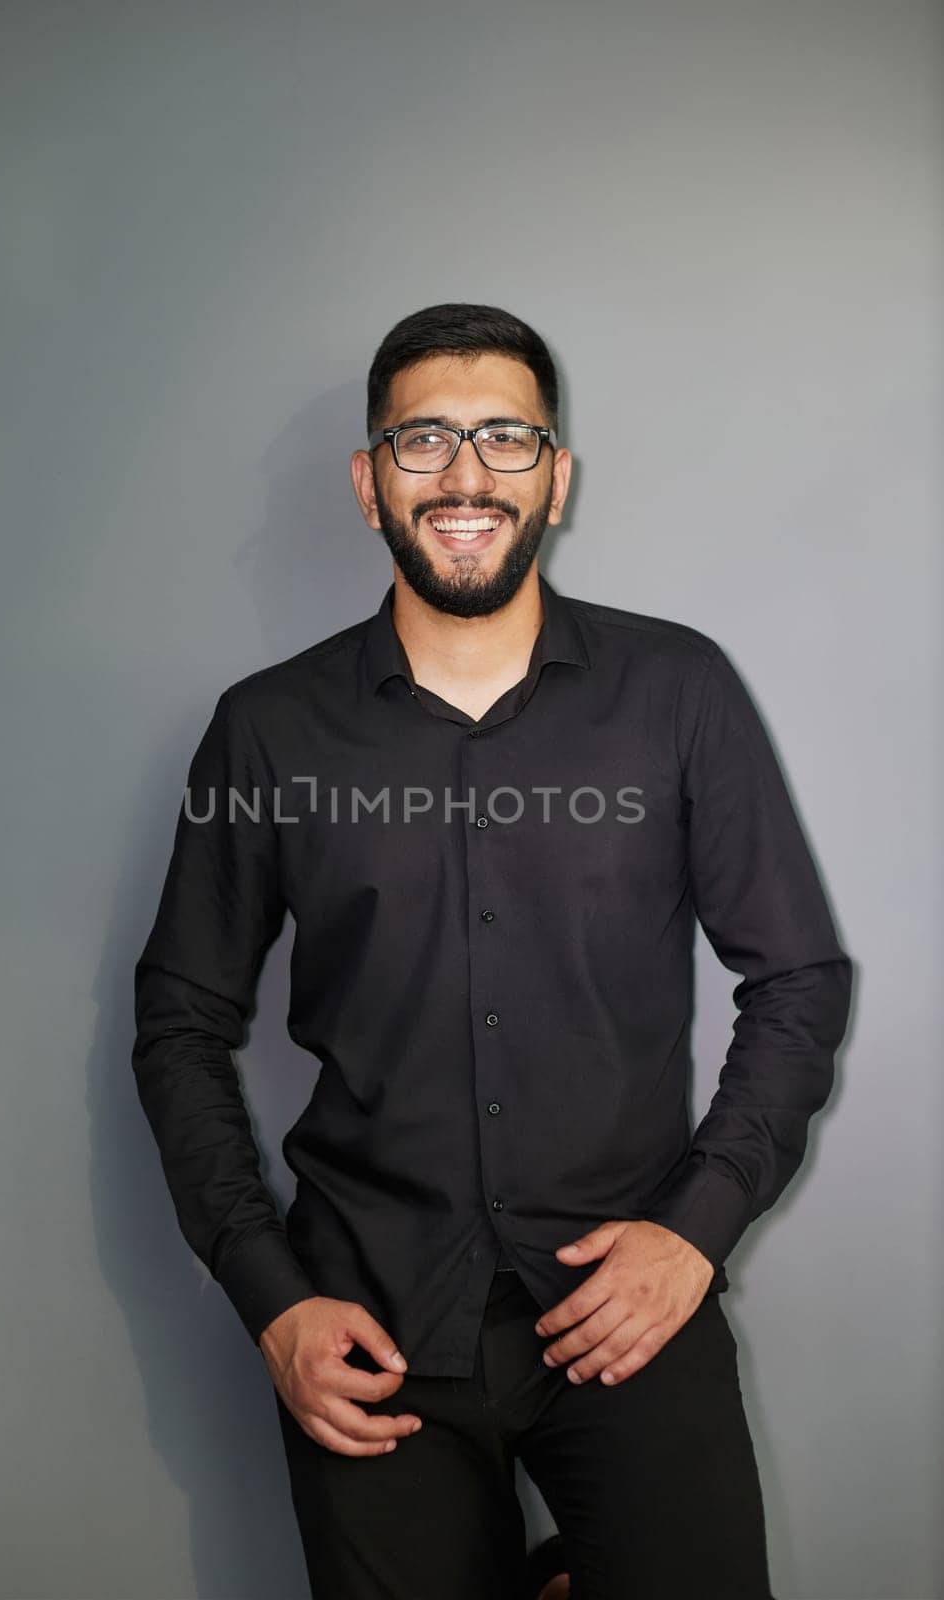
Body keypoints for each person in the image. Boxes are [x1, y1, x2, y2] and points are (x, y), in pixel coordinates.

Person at [131, 302, 852, 1600]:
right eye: (423, 440)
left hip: (636, 1317)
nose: (466, 474)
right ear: (369, 483)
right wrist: (271, 1296)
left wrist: (693, 1234)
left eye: (506, 439)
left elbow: (797, 978)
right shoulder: (267, 732)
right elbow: (180, 1022)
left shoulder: (680, 694)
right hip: (372, 1338)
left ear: (555, 478)